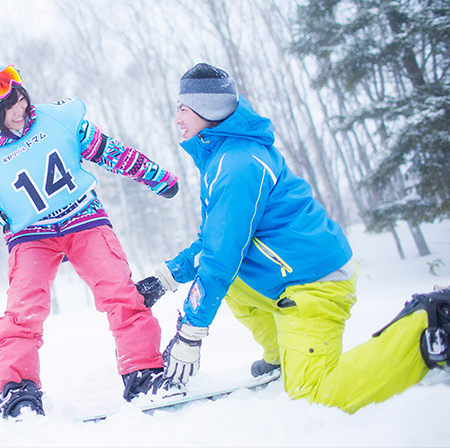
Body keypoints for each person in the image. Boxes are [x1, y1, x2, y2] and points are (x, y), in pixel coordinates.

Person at [142, 62, 450, 413]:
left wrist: (191, 332)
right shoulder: (225, 157)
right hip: (293, 273)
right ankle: (281, 355)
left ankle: (428, 328)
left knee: (315, 396)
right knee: (233, 283)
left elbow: (221, 258)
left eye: (183, 109)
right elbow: (217, 240)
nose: (177, 119)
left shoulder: (237, 165)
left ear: (207, 109)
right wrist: (166, 277)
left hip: (314, 283)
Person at [0, 58, 180, 418]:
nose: (21, 109)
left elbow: (110, 152)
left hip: (84, 217)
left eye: (21, 98)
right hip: (30, 237)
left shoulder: (58, 120)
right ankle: (18, 389)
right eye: (9, 106)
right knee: (24, 309)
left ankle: (142, 369)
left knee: (119, 290)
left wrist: (155, 175)